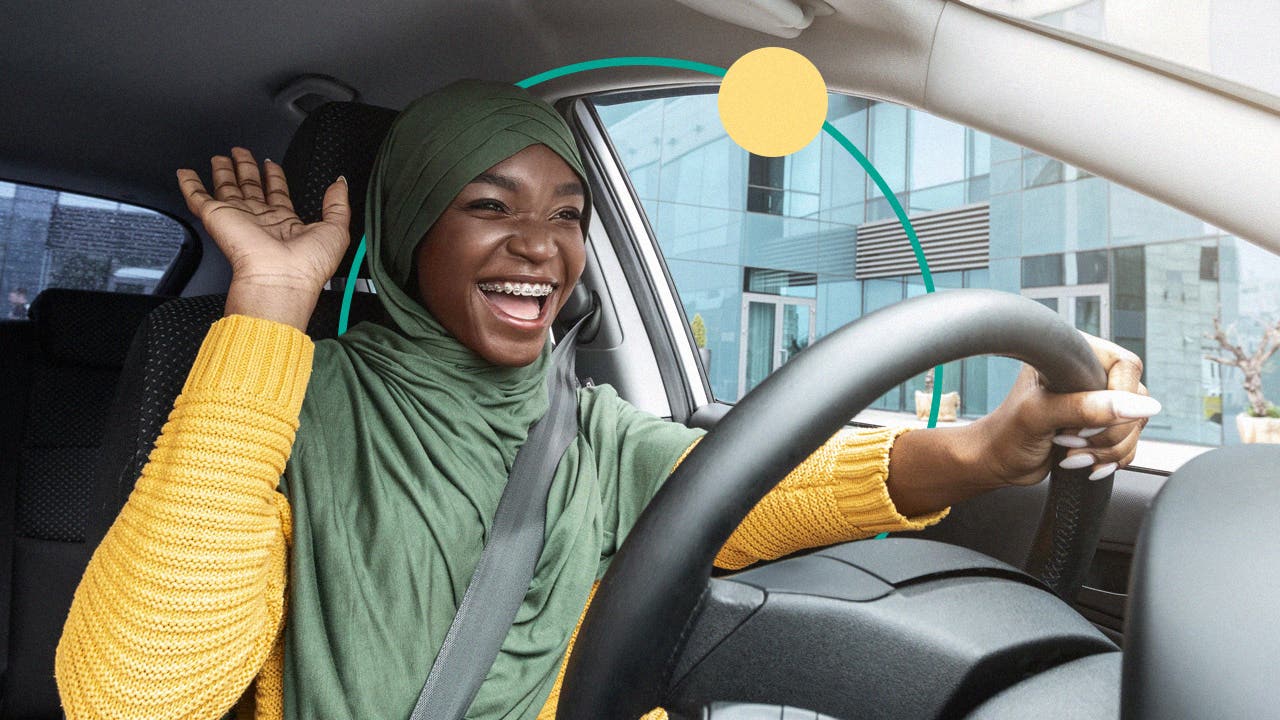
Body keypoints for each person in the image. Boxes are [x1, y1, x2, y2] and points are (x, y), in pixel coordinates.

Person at [54, 81, 1158, 720]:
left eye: (569, 213)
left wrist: (978, 452)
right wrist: (272, 301)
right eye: (489, 205)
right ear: (407, 234)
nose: (542, 246)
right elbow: (136, 696)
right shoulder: (291, 399)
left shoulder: (581, 424)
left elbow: (739, 494)